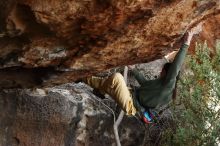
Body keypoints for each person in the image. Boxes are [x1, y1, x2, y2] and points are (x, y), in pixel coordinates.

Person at [82, 24, 203, 122]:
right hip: (131, 95)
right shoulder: (161, 85)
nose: (160, 72)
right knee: (107, 83)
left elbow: (175, 67)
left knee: (117, 78)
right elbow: (144, 83)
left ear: (166, 73)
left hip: (132, 106)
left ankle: (98, 89)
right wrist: (133, 69)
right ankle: (86, 81)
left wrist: (186, 43)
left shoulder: (168, 87)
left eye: (163, 71)